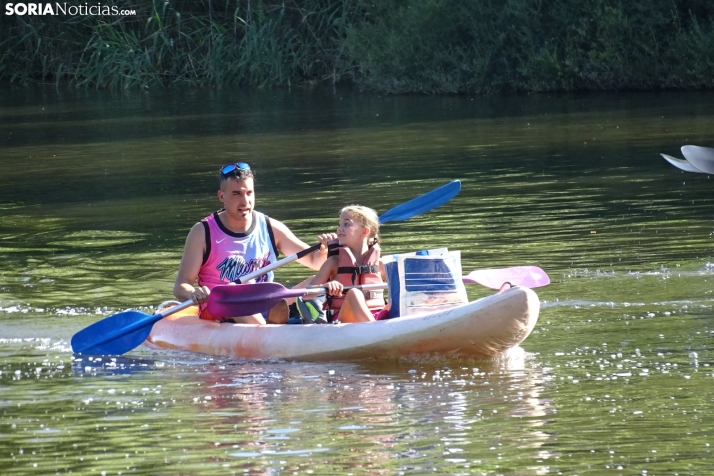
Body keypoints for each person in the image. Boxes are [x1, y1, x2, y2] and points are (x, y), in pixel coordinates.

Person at [173, 162, 334, 324]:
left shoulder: (271, 227)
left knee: (319, 279)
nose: (245, 202)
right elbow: (181, 286)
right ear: (222, 196)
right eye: (236, 194)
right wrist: (193, 293)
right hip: (223, 307)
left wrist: (325, 250)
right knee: (235, 301)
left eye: (249, 193)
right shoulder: (202, 232)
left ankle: (307, 318)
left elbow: (315, 262)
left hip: (265, 300)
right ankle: (272, 330)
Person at [307, 205, 389, 323]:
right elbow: (306, 294)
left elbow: (399, 290)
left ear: (364, 231)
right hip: (346, 317)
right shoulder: (333, 262)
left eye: (346, 224)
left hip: (378, 315)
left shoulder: (380, 264)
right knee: (354, 293)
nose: (339, 229)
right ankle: (375, 332)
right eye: (339, 225)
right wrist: (326, 286)